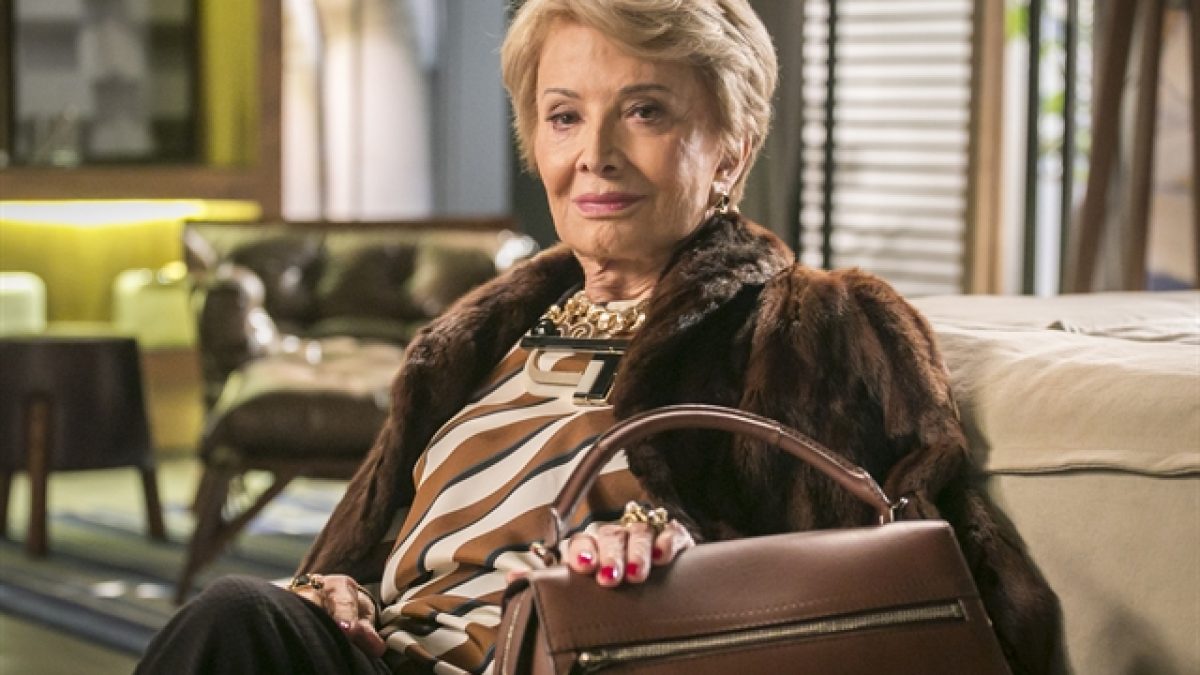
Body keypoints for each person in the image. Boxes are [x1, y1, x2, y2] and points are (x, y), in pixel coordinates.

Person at [137, 1, 1063, 673]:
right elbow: (372, 556)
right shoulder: (476, 337)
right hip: (387, 655)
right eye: (564, 115)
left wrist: (680, 562)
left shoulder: (810, 324)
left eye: (646, 110)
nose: (596, 155)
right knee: (242, 617)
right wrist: (330, 591)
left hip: (594, 660)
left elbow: (877, 574)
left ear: (732, 146)